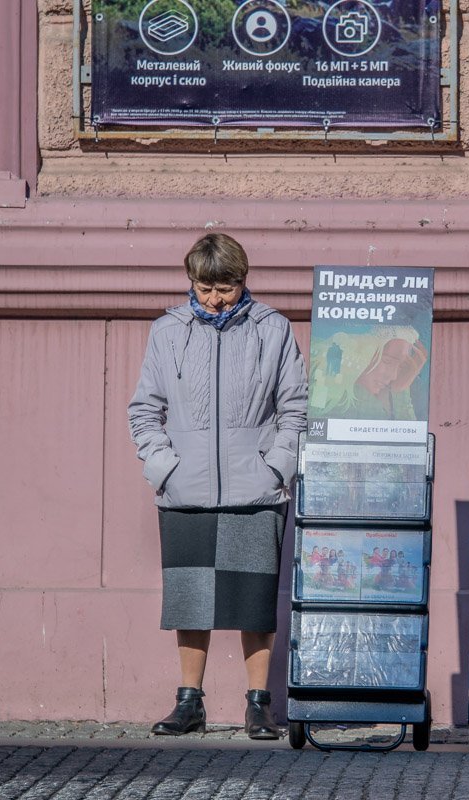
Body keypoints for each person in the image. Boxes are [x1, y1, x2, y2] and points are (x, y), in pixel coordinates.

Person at [128, 233, 307, 740]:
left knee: (254, 600)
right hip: (186, 489)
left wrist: (277, 465)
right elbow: (144, 409)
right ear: (191, 283)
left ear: (243, 280)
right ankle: (190, 703)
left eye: (224, 287)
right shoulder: (168, 331)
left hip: (256, 488)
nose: (215, 298)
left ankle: (258, 705)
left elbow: (295, 405)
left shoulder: (272, 329)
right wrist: (164, 466)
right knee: (190, 600)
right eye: (204, 287)